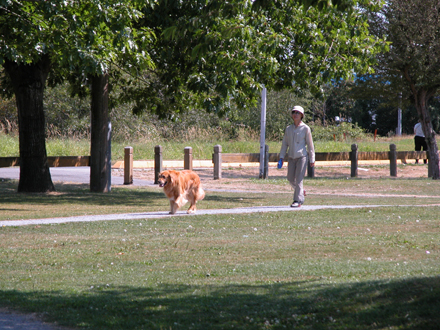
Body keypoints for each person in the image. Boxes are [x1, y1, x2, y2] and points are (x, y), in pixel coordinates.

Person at [277, 105, 315, 207]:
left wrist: (312, 159)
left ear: (302, 115)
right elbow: (285, 144)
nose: (295, 114)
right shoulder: (288, 129)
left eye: (297, 113)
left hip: (302, 157)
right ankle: (301, 191)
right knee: (290, 178)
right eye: (293, 112)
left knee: (299, 179)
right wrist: (281, 157)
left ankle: (297, 200)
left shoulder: (306, 128)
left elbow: (310, 145)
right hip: (291, 157)